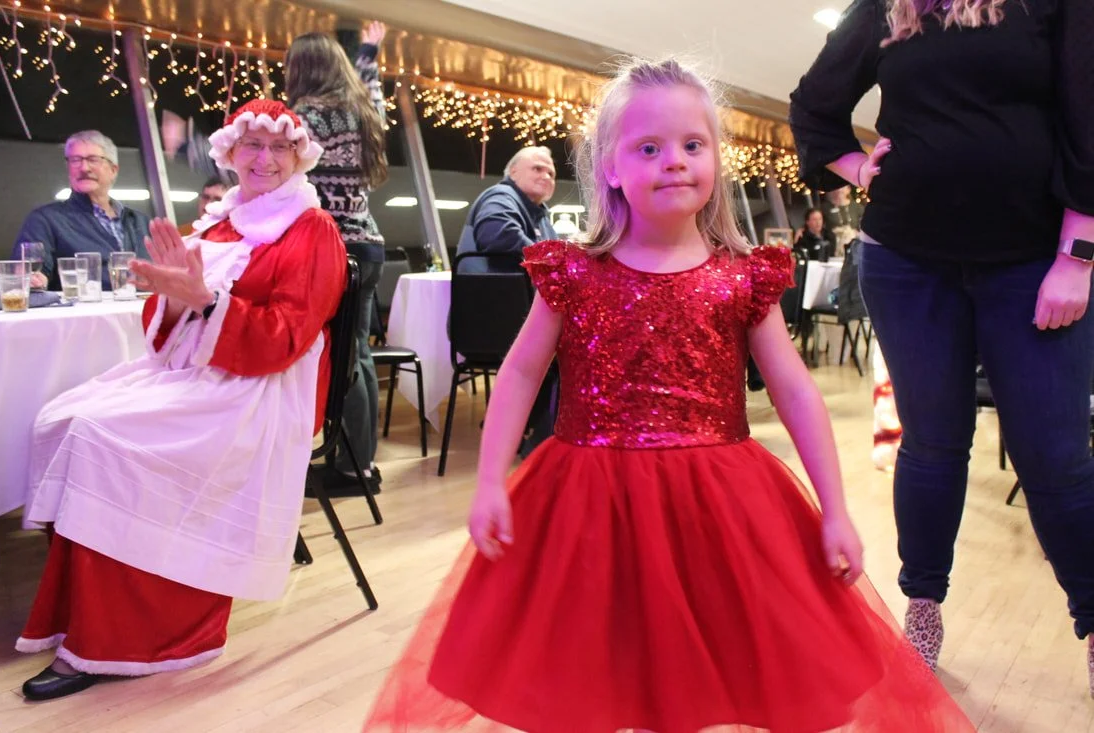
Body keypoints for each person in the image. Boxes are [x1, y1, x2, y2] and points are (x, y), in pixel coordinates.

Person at [362, 58, 974, 732]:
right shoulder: (574, 273)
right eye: (648, 147)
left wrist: (835, 509)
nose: (674, 161)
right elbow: (520, 372)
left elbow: (796, 390)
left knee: (698, 671)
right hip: (586, 506)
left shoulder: (741, 278)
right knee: (593, 664)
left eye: (692, 144)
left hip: (717, 505)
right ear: (612, 168)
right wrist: (489, 482)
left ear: (716, 158)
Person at [790, 0, 1094, 684]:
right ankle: (922, 606)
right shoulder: (889, 7)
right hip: (907, 257)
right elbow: (814, 106)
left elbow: (1088, 120)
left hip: (1032, 261)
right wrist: (859, 168)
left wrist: (1077, 256)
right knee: (931, 443)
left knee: (1055, 458)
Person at [14, 99, 346, 701]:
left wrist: (209, 303)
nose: (264, 159)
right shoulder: (217, 223)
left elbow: (290, 336)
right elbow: (166, 316)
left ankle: (127, 638)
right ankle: (81, 609)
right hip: (196, 372)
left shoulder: (312, 228)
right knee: (61, 418)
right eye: (252, 146)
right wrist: (173, 297)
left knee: (102, 438)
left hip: (260, 388)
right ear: (230, 153)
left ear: (299, 157)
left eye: (279, 148)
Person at [285, 25, 390, 491]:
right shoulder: (363, 112)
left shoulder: (305, 117)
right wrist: (368, 53)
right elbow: (375, 90)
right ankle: (361, 464)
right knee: (359, 353)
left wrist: (188, 143)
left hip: (334, 247)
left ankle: (351, 469)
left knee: (341, 355)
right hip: (368, 242)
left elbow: (260, 159)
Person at [13, 130, 151, 291]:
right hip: (85, 313)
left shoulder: (141, 222)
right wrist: (32, 279)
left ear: (113, 170)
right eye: (75, 160)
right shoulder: (45, 220)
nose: (84, 168)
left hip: (147, 312)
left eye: (93, 159)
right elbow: (29, 273)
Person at [455, 146, 558, 273]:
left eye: (551, 174)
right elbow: (500, 236)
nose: (546, 177)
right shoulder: (500, 196)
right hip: (490, 291)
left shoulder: (542, 218)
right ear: (513, 172)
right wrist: (549, 262)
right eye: (537, 169)